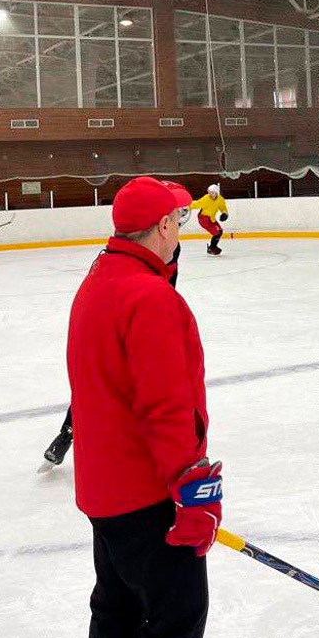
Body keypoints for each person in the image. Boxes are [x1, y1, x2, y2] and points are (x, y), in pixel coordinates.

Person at [67, 175, 222, 638]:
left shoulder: (101, 278)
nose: (181, 229)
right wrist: (194, 492)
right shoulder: (150, 298)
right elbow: (168, 409)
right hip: (146, 495)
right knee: (177, 614)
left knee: (117, 610)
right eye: (177, 220)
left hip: (104, 491)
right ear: (160, 226)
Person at [41, 180, 194, 469]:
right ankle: (67, 435)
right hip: (125, 319)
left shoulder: (170, 247)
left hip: (141, 320)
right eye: (177, 214)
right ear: (164, 220)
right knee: (105, 384)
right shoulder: (142, 251)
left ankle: (74, 435)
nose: (180, 221)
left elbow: (163, 287)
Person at [191, 184, 229, 255]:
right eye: (209, 192)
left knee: (220, 231)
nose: (209, 194)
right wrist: (186, 207)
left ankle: (212, 247)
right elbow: (196, 204)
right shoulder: (206, 198)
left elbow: (223, 208)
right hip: (203, 218)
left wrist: (225, 214)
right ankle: (212, 248)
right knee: (217, 232)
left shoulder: (220, 199)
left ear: (216, 193)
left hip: (211, 218)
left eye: (211, 192)